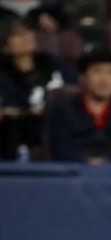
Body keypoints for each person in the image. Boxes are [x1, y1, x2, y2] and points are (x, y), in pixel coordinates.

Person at [46, 49, 111, 164]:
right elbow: (61, 151)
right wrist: (89, 164)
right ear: (83, 77)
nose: (104, 79)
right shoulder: (63, 110)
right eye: (97, 72)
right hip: (74, 175)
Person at [0, 15, 76, 160]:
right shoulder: (3, 73)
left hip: (52, 129)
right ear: (4, 45)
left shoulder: (50, 63)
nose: (27, 37)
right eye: (18, 35)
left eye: (29, 32)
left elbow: (75, 86)